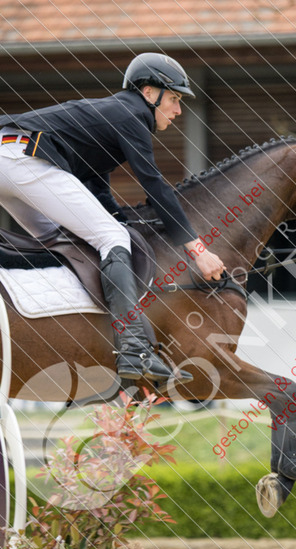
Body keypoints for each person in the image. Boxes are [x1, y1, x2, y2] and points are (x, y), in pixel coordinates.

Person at [0, 53, 225, 382]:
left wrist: (128, 226)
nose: (178, 110)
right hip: (22, 158)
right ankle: (135, 349)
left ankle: (54, 328)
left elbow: (99, 192)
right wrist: (198, 250)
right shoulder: (132, 115)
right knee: (112, 238)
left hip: (11, 157)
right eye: (174, 99)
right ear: (148, 92)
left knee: (65, 241)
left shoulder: (113, 115)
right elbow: (155, 185)